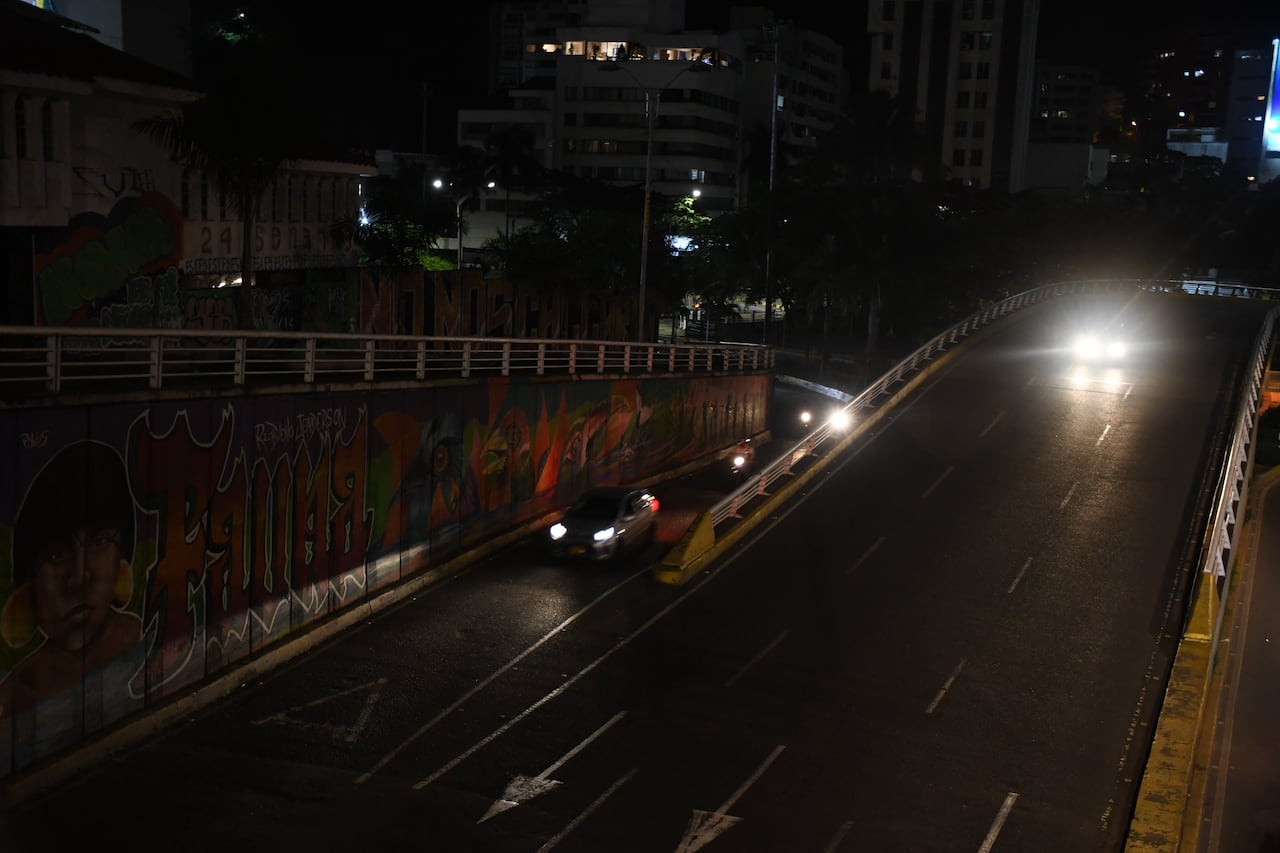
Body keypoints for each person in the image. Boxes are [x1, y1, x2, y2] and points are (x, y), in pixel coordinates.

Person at [0, 441, 143, 722]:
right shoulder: (18, 693)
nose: (79, 578)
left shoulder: (144, 640)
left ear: (122, 564)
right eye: (56, 556)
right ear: (26, 592)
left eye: (100, 541)